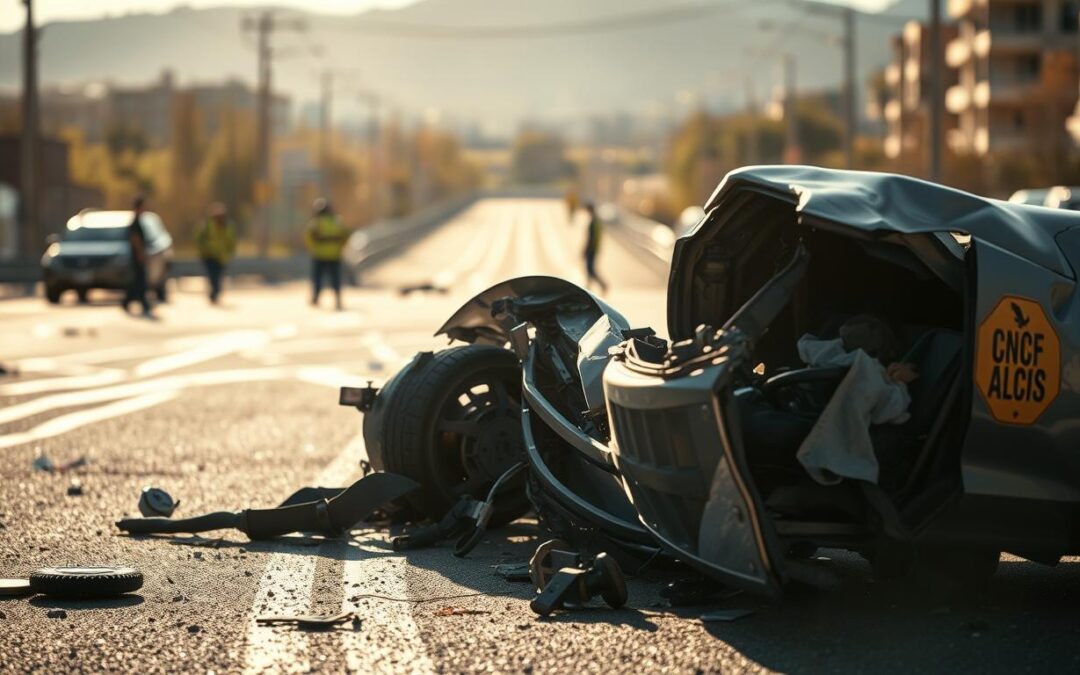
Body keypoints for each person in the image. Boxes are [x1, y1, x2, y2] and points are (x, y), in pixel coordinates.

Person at [304, 198, 350, 310]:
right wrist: (340, 247)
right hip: (335, 255)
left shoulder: (316, 222)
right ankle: (338, 299)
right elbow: (346, 235)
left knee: (317, 278)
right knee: (335, 279)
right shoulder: (338, 221)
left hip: (319, 255)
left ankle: (315, 298)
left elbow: (308, 237)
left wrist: (313, 248)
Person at [195, 202, 237, 304]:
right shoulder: (207, 226)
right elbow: (198, 238)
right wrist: (202, 250)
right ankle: (214, 294)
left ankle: (215, 293)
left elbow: (231, 241)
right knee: (212, 276)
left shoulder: (228, 226)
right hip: (209, 256)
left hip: (221, 257)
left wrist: (230, 252)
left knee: (218, 277)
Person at [124, 196, 153, 317]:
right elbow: (135, 239)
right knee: (139, 280)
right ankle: (142, 302)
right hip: (136, 256)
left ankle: (129, 301)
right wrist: (140, 253)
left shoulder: (138, 221)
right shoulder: (135, 222)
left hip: (137, 255)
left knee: (137, 281)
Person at [582, 202, 608, 293]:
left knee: (590, 269)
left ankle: (602, 285)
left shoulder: (593, 222)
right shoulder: (597, 221)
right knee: (590, 269)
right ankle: (588, 288)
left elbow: (591, 238)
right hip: (595, 248)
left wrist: (586, 250)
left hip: (592, 249)